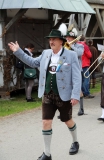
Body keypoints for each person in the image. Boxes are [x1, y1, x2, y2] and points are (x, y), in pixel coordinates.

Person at [8, 24, 82, 160]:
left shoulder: (71, 55)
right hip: (47, 94)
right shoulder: (45, 53)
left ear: (61, 41)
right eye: (50, 39)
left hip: (63, 95)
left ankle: (75, 141)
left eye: (54, 39)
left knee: (67, 120)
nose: (51, 42)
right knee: (46, 122)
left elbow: (77, 76)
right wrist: (18, 51)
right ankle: (47, 154)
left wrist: (75, 95)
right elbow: (31, 62)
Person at [65, 27, 85, 116]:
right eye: (67, 37)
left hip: (76, 70)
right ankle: (65, 110)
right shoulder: (65, 46)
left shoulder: (79, 45)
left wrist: (71, 46)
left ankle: (81, 108)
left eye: (69, 37)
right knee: (66, 90)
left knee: (78, 90)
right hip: (67, 70)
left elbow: (79, 53)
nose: (67, 39)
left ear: (74, 38)